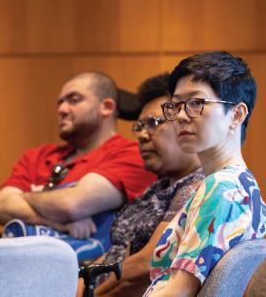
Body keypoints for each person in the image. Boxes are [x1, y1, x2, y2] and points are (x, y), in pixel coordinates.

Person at [0, 71, 156, 260]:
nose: (62, 109)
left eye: (74, 100)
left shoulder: (131, 153)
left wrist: (23, 197)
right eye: (60, 102)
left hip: (85, 278)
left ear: (107, 107)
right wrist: (61, 225)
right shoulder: (37, 156)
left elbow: (71, 205)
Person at [144, 51, 266, 297]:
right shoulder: (244, 185)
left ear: (237, 114)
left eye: (196, 103)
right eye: (176, 105)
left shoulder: (221, 188)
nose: (180, 115)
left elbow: (178, 293)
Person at [77, 73, 204, 297]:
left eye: (154, 123)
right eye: (139, 126)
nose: (143, 135)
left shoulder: (197, 186)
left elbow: (150, 265)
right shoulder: (158, 187)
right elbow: (115, 252)